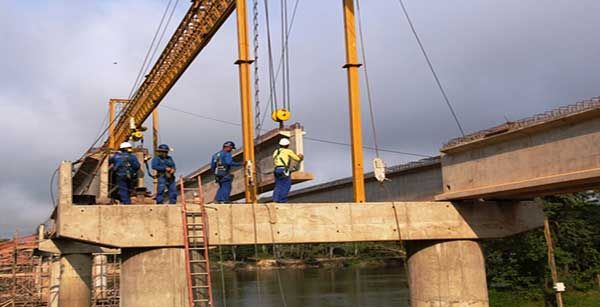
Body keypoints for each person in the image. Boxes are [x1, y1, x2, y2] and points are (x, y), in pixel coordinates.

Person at [272, 138, 303, 203]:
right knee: (286, 185)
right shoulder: (288, 151)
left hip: (277, 170)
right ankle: (282, 200)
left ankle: (276, 200)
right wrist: (300, 157)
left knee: (278, 185)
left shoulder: (276, 151)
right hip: (283, 170)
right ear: (287, 145)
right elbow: (297, 159)